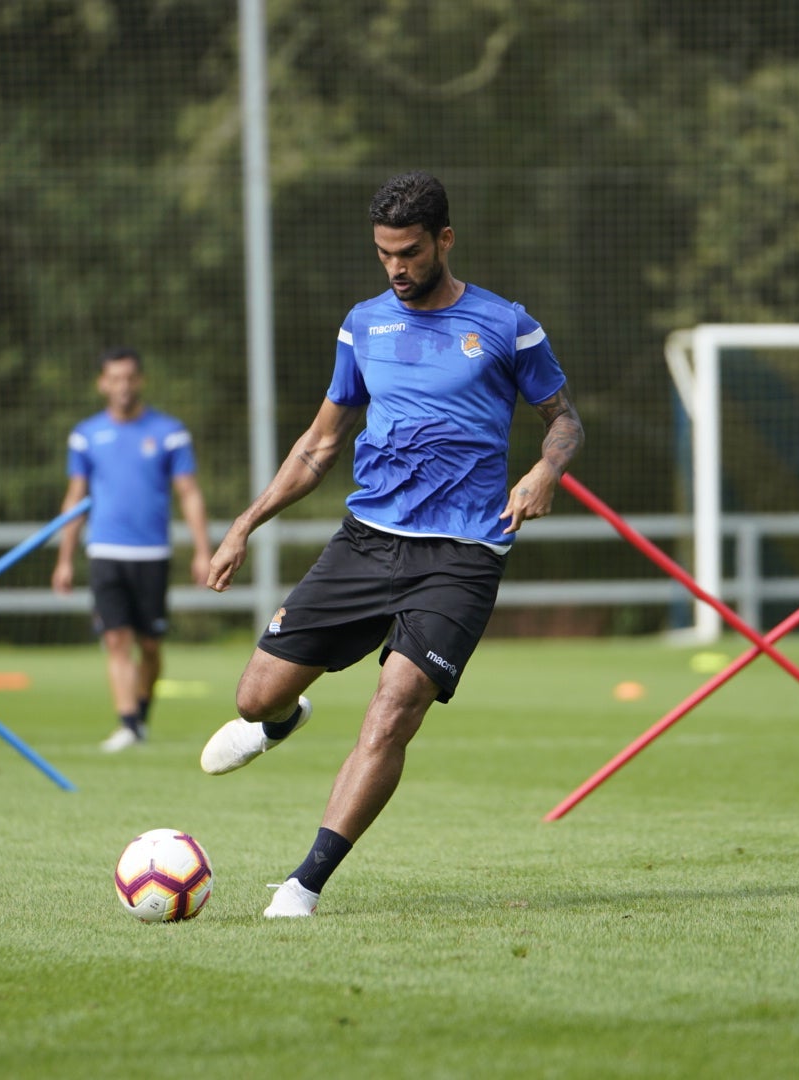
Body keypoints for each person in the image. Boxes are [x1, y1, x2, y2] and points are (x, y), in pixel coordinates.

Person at [200, 170, 585, 917]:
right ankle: (283, 720)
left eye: (409, 252)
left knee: (395, 705)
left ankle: (304, 884)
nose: (396, 268)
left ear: (444, 240)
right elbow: (319, 446)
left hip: (463, 553)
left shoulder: (508, 325)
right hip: (368, 541)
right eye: (383, 254)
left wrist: (545, 471)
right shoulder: (363, 325)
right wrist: (245, 523)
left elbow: (564, 420)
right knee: (254, 697)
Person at [52, 346, 212, 752]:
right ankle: (127, 724)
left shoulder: (169, 432)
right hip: (104, 550)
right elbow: (75, 496)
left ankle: (139, 715)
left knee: (151, 647)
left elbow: (188, 493)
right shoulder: (86, 435)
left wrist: (202, 550)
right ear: (102, 384)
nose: (123, 387)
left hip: (152, 554)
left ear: (139, 381)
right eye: (115, 379)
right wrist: (65, 558)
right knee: (116, 639)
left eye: (129, 378)